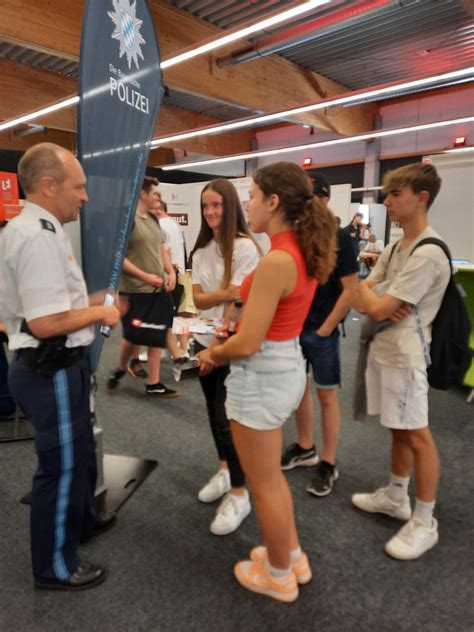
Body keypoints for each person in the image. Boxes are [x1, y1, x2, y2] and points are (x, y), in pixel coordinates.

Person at [198, 162, 336, 602]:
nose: (248, 205)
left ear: (274, 202)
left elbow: (248, 342)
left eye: (253, 196)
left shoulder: (278, 257)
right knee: (270, 479)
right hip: (283, 364)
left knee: (265, 483)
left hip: (262, 373)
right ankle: (291, 555)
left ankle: (278, 574)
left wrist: (213, 352)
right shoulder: (297, 247)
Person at [0, 142, 120, 590]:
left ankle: (82, 522)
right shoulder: (34, 235)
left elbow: (51, 305)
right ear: (48, 186)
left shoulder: (41, 229)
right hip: (46, 366)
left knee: (81, 452)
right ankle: (55, 566)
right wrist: (99, 314)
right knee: (62, 465)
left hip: (58, 363)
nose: (85, 196)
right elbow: (45, 322)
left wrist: (85, 304)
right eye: (79, 186)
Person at [351, 163, 450, 560]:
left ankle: (425, 521)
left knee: (417, 435)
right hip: (385, 350)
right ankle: (396, 496)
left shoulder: (427, 252)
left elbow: (374, 305)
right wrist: (376, 297)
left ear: (421, 197)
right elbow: (365, 292)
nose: (388, 201)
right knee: (398, 427)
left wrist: (376, 298)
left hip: (406, 356)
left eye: (396, 194)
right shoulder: (395, 247)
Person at [281, 173, 359, 496]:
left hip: (322, 332)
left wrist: (327, 326)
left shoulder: (342, 238)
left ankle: (328, 462)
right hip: (296, 330)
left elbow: (351, 290)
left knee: (326, 396)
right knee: (300, 390)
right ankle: (305, 446)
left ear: (325, 200)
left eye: (312, 199)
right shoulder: (296, 239)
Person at [191, 179, 260, 535]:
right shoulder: (201, 251)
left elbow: (240, 304)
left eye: (216, 205)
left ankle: (239, 491)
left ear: (230, 206)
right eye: (205, 206)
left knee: (226, 418)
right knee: (212, 413)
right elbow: (198, 299)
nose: (210, 212)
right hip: (202, 341)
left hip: (227, 347)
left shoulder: (246, 248)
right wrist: (223, 293)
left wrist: (218, 349)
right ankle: (224, 469)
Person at [107, 176, 178, 397]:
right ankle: (120, 368)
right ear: (142, 194)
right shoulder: (128, 221)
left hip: (155, 289)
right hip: (135, 290)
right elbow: (118, 257)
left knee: (157, 333)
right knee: (133, 336)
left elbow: (161, 250)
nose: (157, 197)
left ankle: (154, 383)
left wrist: (170, 272)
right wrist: (145, 276)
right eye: (154, 193)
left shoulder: (154, 220)